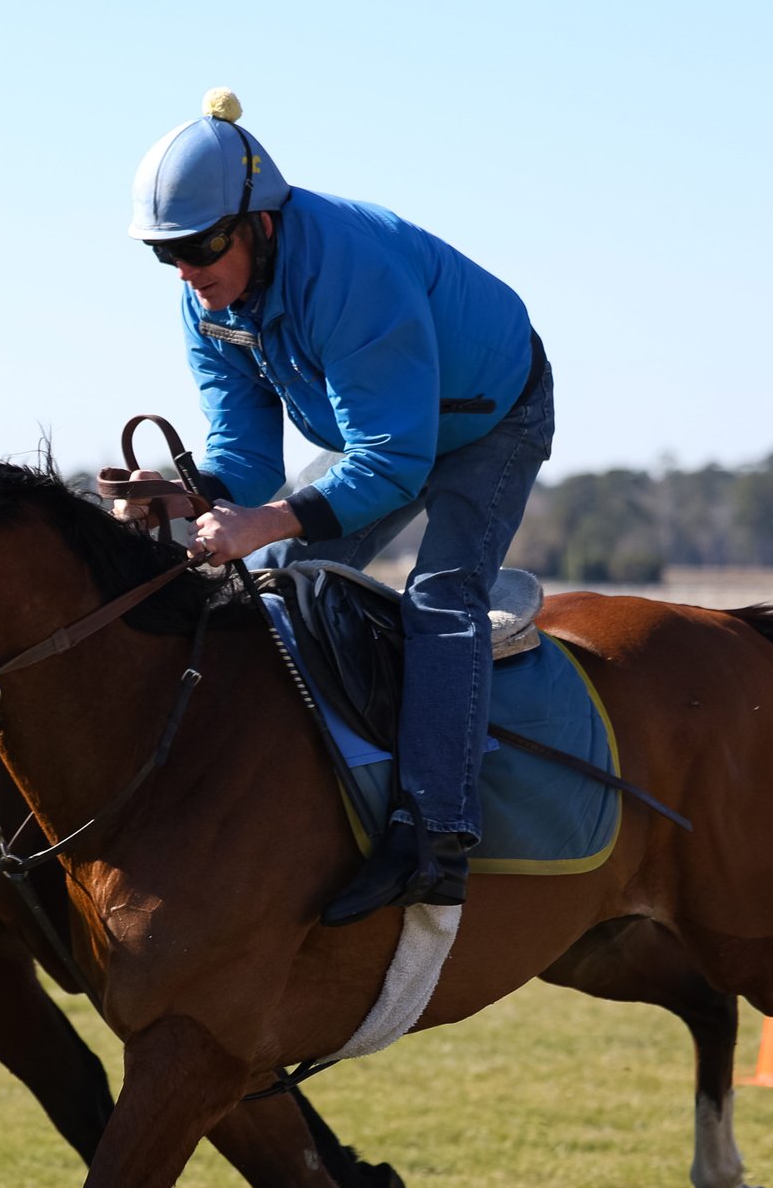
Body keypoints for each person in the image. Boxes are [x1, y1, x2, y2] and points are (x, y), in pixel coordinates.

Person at [126, 90, 555, 925]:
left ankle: (435, 833)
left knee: (440, 599)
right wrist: (195, 496)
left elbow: (395, 462)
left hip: (489, 416)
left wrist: (269, 518)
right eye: (166, 253)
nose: (188, 269)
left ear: (262, 221)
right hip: (388, 428)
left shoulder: (349, 272)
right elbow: (248, 459)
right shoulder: (205, 303)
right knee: (279, 577)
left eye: (202, 244)